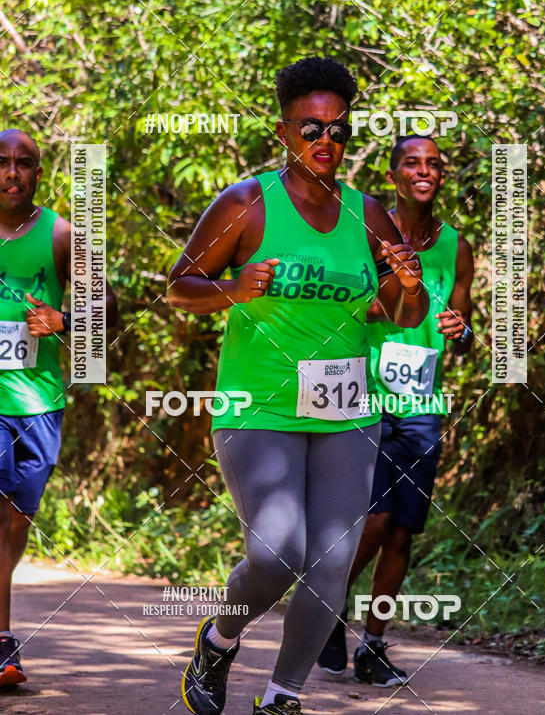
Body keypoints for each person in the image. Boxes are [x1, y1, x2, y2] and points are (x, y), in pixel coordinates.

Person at [167, 57, 429, 715]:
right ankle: (220, 638)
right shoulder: (247, 203)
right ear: (284, 132)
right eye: (311, 129)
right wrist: (233, 287)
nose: (326, 143)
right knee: (279, 551)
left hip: (346, 410)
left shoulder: (369, 215)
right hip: (259, 407)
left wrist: (408, 282)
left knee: (332, 565)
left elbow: (404, 316)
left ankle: (282, 698)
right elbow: (178, 287)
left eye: (338, 131)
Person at [318, 134, 474, 686]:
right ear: (395, 173)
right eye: (412, 162)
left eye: (433, 163)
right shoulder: (367, 228)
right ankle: (328, 603)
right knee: (375, 519)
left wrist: (463, 328)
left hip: (423, 403)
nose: (424, 170)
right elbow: (343, 301)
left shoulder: (455, 246)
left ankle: (373, 645)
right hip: (365, 395)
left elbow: (461, 323)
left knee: (403, 530)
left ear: (441, 175)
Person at [0, 129, 118, 686]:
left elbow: (109, 304)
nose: (12, 173)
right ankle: (2, 643)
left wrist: (66, 321)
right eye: (1, 163)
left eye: (24, 164)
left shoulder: (62, 234)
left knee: (15, 520)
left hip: (39, 400)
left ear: (39, 174)